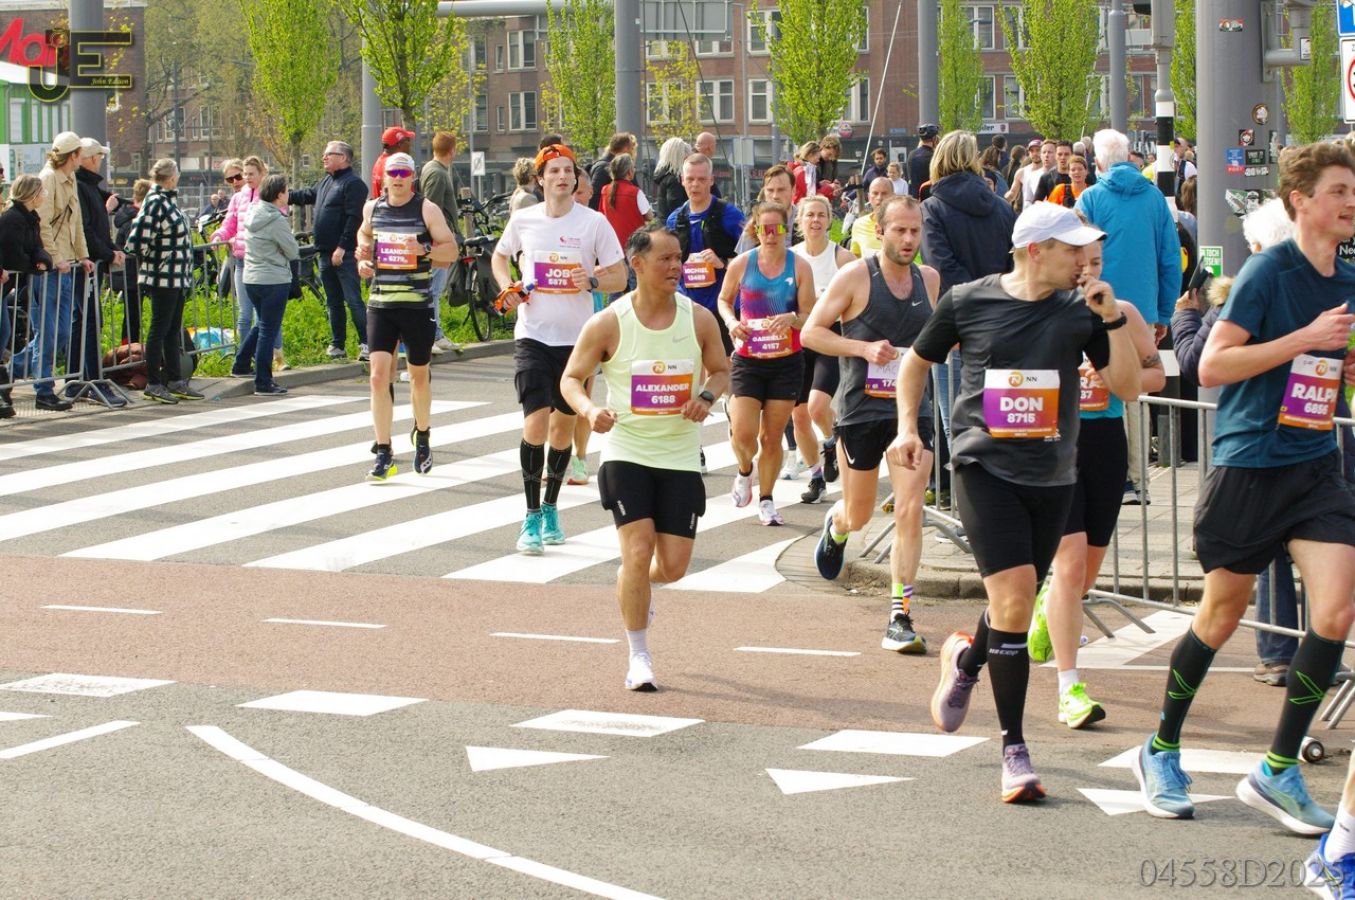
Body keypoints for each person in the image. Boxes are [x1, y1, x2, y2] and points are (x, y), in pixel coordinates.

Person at [1132, 143, 1355, 848]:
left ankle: (1277, 769)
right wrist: (1304, 339)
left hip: (1312, 463)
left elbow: (1329, 366)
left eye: (1354, 191)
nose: (1351, 202)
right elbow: (1211, 366)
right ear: (1300, 201)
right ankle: (1160, 747)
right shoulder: (1267, 271)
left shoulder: (1348, 278)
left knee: (1336, 610)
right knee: (1220, 615)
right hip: (1250, 461)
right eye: (1338, 190)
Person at [890, 201, 1140, 803]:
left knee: (1017, 602)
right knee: (1014, 598)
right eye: (1071, 249)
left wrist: (1110, 319)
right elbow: (916, 362)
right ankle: (1015, 751)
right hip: (984, 467)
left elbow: (1129, 387)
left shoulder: (1081, 311)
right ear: (1035, 251)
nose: (1082, 260)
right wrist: (906, 428)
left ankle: (965, 661)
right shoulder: (967, 300)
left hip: (1052, 474)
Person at [560, 222, 731, 691]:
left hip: (679, 454)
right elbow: (571, 378)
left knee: (671, 568)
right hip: (627, 451)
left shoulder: (698, 319)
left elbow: (721, 370)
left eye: (679, 258)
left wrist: (705, 396)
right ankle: (639, 655)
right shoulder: (609, 322)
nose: (676, 267)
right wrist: (589, 410)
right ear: (636, 264)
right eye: (665, 259)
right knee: (637, 551)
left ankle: (633, 584)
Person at [1025, 228, 1165, 729]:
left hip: (1105, 444)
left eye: (1097, 261)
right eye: (1079, 260)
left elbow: (1155, 376)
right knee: (1069, 564)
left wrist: (1113, 377)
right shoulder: (1041, 311)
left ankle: (1049, 605)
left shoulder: (1120, 313)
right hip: (1055, 443)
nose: (1088, 270)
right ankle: (1070, 687)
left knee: (1083, 575)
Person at [804, 194, 940, 653]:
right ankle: (838, 526)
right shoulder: (856, 276)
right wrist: (863, 349)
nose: (908, 239)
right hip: (861, 409)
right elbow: (812, 332)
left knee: (909, 509)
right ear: (880, 231)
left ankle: (899, 614)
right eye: (899, 230)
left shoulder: (929, 279)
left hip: (913, 413)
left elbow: (935, 340)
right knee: (859, 513)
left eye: (915, 231)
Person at [492, 143, 627, 552]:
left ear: (577, 178)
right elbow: (499, 257)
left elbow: (620, 276)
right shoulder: (524, 220)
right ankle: (531, 515)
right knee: (535, 423)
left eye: (569, 171)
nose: (562, 177)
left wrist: (591, 281)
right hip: (533, 335)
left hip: (577, 341)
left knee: (562, 429)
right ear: (540, 179)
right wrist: (508, 287)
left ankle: (551, 507)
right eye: (554, 171)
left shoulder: (593, 223)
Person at [1076, 129, 1181, 505]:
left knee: (1104, 386)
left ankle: (1114, 475)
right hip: (1144, 309)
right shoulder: (1154, 198)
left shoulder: (1091, 197)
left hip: (1097, 307)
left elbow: (1077, 252)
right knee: (1136, 388)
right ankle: (1139, 479)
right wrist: (1164, 312)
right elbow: (1170, 257)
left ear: (1098, 163)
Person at [354, 152, 458, 480]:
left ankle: (422, 435)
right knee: (377, 376)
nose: (398, 179)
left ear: (412, 177)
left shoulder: (427, 209)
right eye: (393, 173)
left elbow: (451, 250)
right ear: (384, 177)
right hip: (381, 303)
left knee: (418, 376)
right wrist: (363, 258)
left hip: (417, 305)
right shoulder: (373, 208)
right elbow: (364, 236)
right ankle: (384, 451)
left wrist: (424, 249)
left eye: (404, 173)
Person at [716, 201, 817, 526]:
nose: (771, 235)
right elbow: (724, 300)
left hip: (786, 362)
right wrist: (732, 322)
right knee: (743, 434)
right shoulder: (743, 264)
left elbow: (809, 314)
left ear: (786, 230)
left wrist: (792, 318)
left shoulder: (799, 267)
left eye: (778, 228)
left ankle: (767, 499)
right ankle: (745, 470)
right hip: (748, 360)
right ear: (756, 230)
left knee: (771, 437)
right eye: (765, 228)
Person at [11, 132, 93, 412]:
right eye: (80, 154)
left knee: (59, 332)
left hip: (66, 265)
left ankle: (11, 371)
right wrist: (56, 258)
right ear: (73, 155)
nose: (83, 159)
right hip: (51, 268)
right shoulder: (48, 179)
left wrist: (82, 255)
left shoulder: (70, 180)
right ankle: (43, 389)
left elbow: (76, 223)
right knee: (48, 332)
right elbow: (42, 225)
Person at [791, 195, 856, 503]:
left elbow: (859, 300)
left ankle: (830, 440)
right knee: (798, 417)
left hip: (829, 336)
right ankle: (816, 478)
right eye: (809, 215)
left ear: (830, 220)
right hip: (797, 339)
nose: (815, 220)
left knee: (817, 407)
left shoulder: (842, 259)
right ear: (800, 221)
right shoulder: (791, 257)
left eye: (821, 215)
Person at [122, 159, 200, 405]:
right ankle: (155, 382)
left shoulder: (166, 200)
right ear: (172, 177)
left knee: (172, 329)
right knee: (159, 329)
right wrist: (158, 258)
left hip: (175, 276)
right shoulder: (156, 201)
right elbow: (136, 241)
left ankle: (175, 379)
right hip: (163, 277)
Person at [287, 140, 371, 363]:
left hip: (344, 254)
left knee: (353, 299)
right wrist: (282, 194)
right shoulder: (327, 181)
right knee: (333, 301)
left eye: (329, 154)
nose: (324, 157)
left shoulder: (353, 184)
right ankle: (338, 344)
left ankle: (367, 343)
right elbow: (307, 195)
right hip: (324, 252)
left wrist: (342, 247)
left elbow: (354, 218)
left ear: (343, 158)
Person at [666, 153, 746, 356]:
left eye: (701, 179)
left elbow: (751, 261)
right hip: (687, 306)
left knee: (725, 364)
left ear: (711, 180)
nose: (695, 185)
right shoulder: (674, 219)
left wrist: (723, 262)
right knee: (691, 363)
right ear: (682, 180)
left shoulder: (731, 215)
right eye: (690, 179)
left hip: (724, 305)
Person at [70, 136, 127, 408]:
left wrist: (112, 249)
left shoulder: (88, 187)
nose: (101, 162)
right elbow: (87, 230)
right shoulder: (82, 187)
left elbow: (96, 229)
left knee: (85, 322)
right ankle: (91, 380)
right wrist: (107, 253)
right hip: (87, 264)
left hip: (93, 261)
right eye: (100, 157)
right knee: (88, 322)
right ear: (91, 159)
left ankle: (79, 380)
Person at [213, 156, 283, 372]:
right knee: (244, 314)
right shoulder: (237, 198)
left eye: (250, 174)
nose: (245, 178)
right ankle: (244, 360)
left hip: (263, 261)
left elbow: (278, 221)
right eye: (245, 174)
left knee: (265, 315)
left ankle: (275, 356)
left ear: (262, 173)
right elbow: (230, 223)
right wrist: (220, 236)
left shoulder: (269, 195)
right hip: (241, 260)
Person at [232, 173, 299, 397]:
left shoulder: (253, 211)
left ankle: (241, 364)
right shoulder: (276, 220)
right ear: (279, 195)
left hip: (251, 277)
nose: (288, 194)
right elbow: (292, 251)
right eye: (286, 191)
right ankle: (263, 381)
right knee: (268, 330)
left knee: (262, 324)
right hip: (273, 279)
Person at [0, 174, 54, 418]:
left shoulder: (30, 218)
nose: (44, 196)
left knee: (4, 332)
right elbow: (12, 253)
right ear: (32, 194)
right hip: (5, 281)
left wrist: (43, 260)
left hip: (5, 286)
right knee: (3, 332)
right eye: (41, 192)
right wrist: (34, 265)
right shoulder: (12, 220)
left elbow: (36, 247)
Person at [419, 131, 464, 356]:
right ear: (452, 151)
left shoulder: (434, 169)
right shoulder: (437, 173)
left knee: (434, 290)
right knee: (434, 290)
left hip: (438, 239)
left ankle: (435, 333)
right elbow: (432, 207)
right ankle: (432, 335)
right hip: (438, 241)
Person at [112, 178, 150, 344]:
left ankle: (130, 345)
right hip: (132, 273)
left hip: (130, 272)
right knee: (133, 316)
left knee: (133, 314)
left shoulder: (128, 216)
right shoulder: (134, 219)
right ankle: (129, 347)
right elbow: (134, 247)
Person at [589, 132, 635, 211]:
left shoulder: (603, 165)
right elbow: (594, 197)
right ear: (625, 148)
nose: (632, 152)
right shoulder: (604, 167)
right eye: (631, 148)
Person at [850, 177, 895, 259]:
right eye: (875, 193)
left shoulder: (902, 224)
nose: (879, 198)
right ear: (869, 197)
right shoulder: (859, 224)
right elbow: (856, 257)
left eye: (884, 193)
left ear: (893, 196)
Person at [651, 137, 690, 223]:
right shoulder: (674, 180)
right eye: (686, 154)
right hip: (673, 226)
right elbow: (675, 206)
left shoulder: (664, 176)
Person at [371, 126, 414, 199]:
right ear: (400, 144)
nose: (410, 145)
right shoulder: (394, 166)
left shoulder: (380, 161)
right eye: (408, 141)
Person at [907, 125, 939, 198]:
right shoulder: (933, 156)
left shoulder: (911, 154)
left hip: (914, 198)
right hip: (929, 198)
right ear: (934, 138)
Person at [790, 141, 821, 205]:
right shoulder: (803, 171)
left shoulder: (805, 169)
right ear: (810, 155)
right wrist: (829, 188)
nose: (818, 161)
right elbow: (810, 194)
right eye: (817, 158)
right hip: (801, 206)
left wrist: (821, 185)